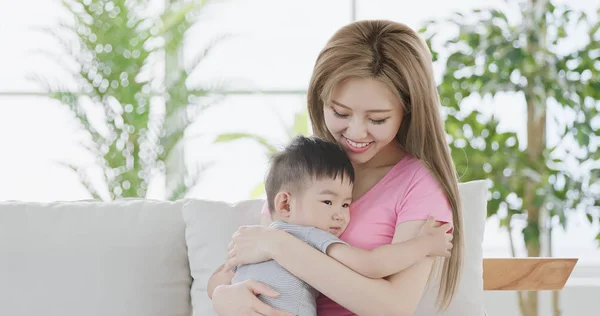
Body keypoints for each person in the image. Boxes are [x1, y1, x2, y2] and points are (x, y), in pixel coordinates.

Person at [209, 19, 463, 316]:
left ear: (407, 112)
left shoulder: (419, 185)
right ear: (321, 101)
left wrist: (280, 246)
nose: (356, 133)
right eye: (340, 112)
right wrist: (222, 297)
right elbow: (253, 264)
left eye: (377, 119)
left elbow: (392, 307)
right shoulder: (306, 170)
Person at [224, 135, 453, 316]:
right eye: (327, 202)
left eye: (345, 204)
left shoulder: (259, 239)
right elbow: (372, 264)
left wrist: (223, 293)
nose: (340, 215)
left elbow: (223, 276)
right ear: (285, 204)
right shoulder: (310, 235)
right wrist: (424, 245)